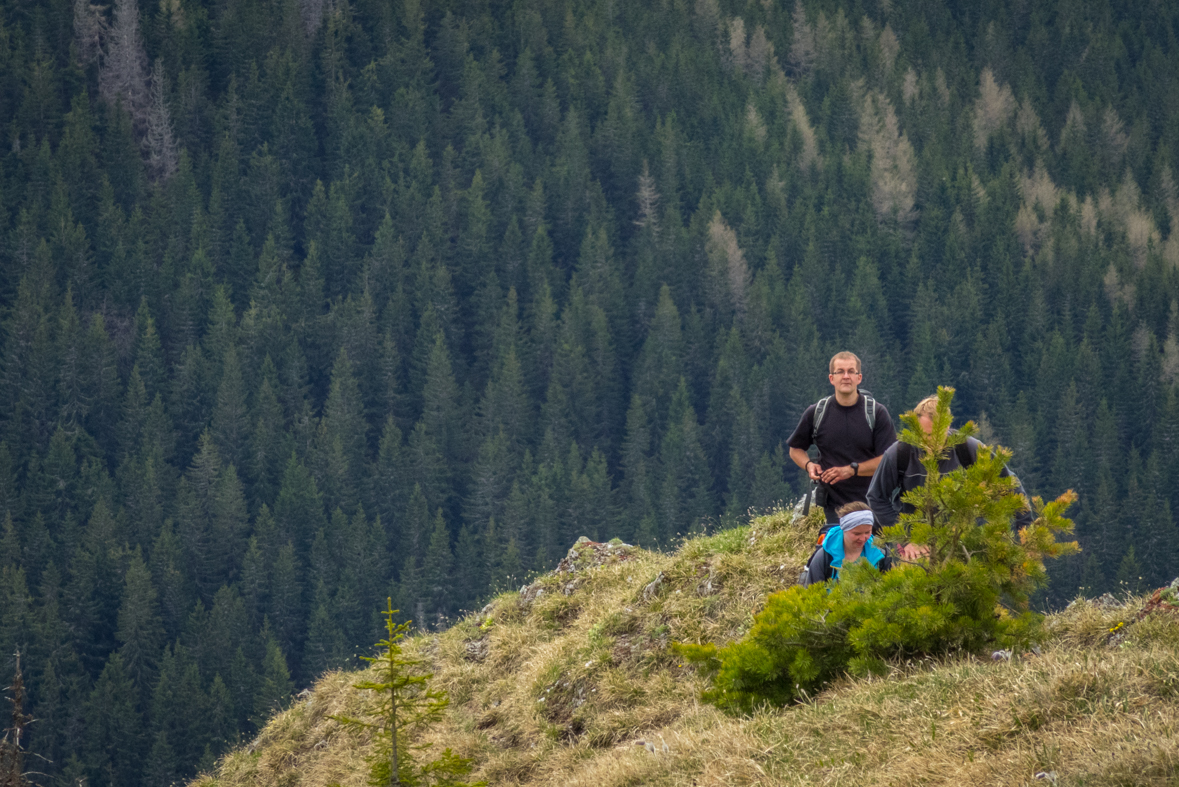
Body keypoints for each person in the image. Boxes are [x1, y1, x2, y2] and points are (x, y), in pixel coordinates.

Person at [866, 394, 1034, 560]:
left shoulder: (968, 449)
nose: (929, 442)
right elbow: (876, 496)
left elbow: (1009, 484)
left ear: (948, 426)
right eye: (924, 435)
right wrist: (904, 538)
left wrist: (1026, 529)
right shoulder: (899, 453)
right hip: (915, 547)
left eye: (936, 436)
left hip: (960, 541)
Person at [788, 351, 897, 529]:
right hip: (834, 505)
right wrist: (809, 465)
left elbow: (889, 459)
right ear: (831, 378)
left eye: (851, 371)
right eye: (840, 372)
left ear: (859, 377)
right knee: (841, 555)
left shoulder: (876, 413)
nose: (846, 377)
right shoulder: (817, 412)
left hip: (874, 501)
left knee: (875, 555)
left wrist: (851, 470)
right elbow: (795, 449)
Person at [799, 502, 893, 586]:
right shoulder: (825, 556)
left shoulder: (881, 554)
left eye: (867, 532)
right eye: (857, 534)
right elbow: (812, 594)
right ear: (843, 530)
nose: (863, 538)